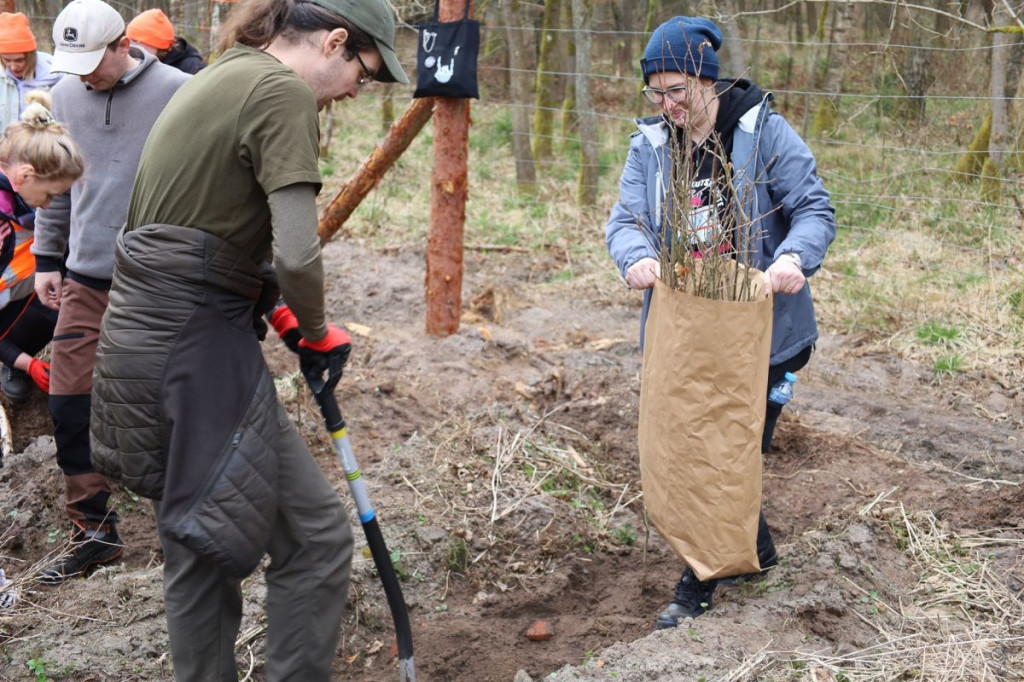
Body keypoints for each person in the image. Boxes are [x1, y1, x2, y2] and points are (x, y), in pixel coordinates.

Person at [89, 0, 407, 678]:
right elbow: (296, 253)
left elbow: (206, 222)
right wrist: (317, 332)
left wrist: (280, 313)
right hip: (194, 343)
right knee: (291, 539)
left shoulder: (220, 73)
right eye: (366, 72)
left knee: (219, 542)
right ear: (335, 42)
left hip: (145, 337)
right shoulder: (280, 90)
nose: (358, 91)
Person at [605, 16, 836, 629]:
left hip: (765, 332)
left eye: (677, 91)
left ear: (708, 81)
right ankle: (752, 549)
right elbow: (624, 221)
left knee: (730, 449)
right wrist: (636, 257)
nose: (667, 105)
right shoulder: (652, 146)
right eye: (655, 94)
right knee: (695, 442)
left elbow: (815, 208)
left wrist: (792, 258)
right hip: (688, 333)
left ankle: (700, 578)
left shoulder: (765, 134)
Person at [30, 0, 190, 585]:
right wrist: (49, 257)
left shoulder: (180, 91)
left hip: (154, 282)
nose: (83, 74)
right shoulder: (67, 95)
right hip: (85, 277)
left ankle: (181, 536)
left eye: (92, 61)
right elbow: (59, 178)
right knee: (68, 403)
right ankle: (93, 532)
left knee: (156, 410)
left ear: (125, 44)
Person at [0, 92, 84, 404]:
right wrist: (25, 362)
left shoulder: (17, 206)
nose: (50, 206)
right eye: (50, 195)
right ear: (25, 176)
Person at [0, 13, 62, 128]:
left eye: (19, 60)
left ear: (31, 56)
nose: (13, 67)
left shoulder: (56, 78)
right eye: (7, 60)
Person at [126, 9, 205, 74]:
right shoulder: (143, 62)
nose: (130, 46)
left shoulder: (192, 68)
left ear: (155, 43)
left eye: (135, 41)